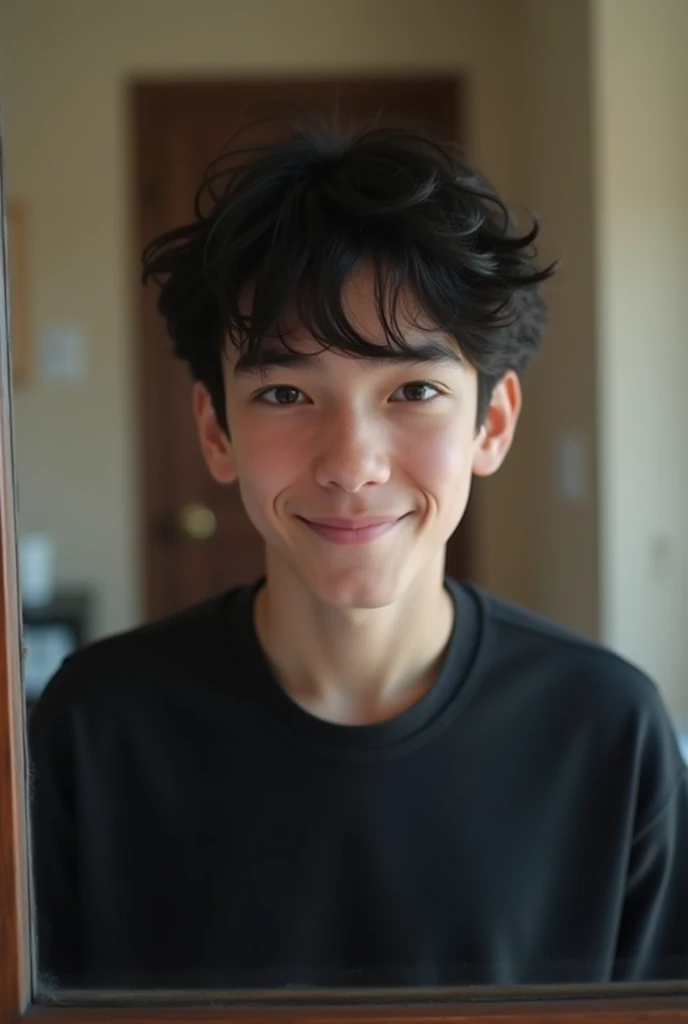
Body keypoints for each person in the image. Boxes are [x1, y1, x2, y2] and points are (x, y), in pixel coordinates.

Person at [29, 119, 688, 991]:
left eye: (414, 390)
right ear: (215, 431)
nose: (351, 463)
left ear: (491, 423)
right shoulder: (96, 727)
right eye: (285, 392)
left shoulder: (606, 732)